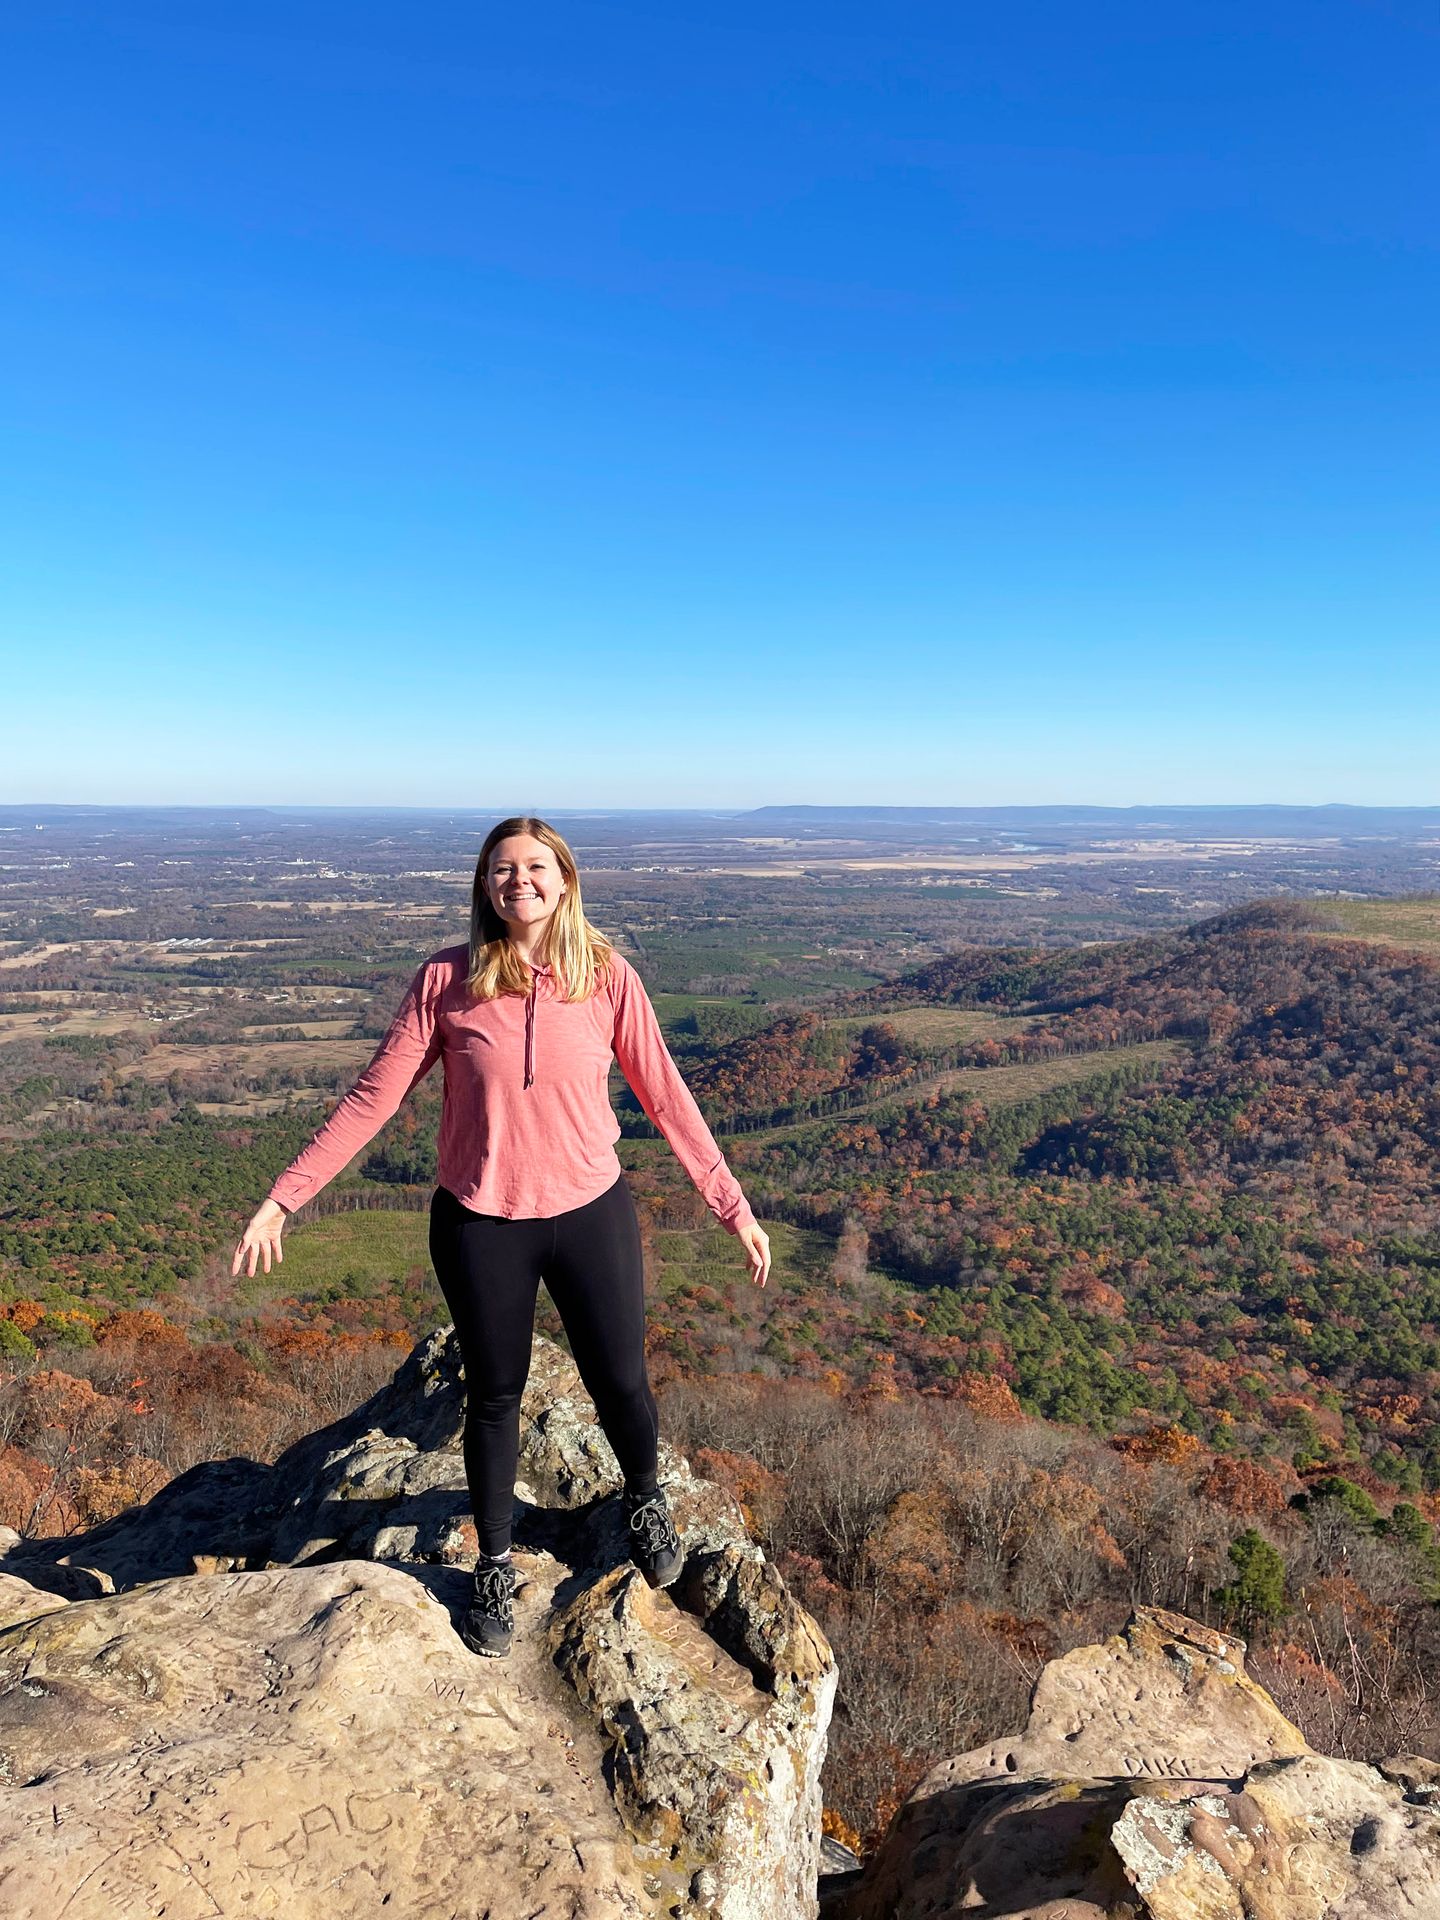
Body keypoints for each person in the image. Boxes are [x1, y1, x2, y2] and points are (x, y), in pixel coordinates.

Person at [232, 814, 771, 1658]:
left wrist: (730, 1204)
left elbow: (667, 1097)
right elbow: (374, 1098)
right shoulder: (447, 980)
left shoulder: (608, 979)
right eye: (500, 871)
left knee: (622, 1381)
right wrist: (285, 1198)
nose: (516, 882)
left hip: (590, 1210)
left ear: (565, 880)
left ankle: (642, 1496)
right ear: (484, 887)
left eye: (533, 868)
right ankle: (492, 1563)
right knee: (493, 1395)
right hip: (481, 1220)